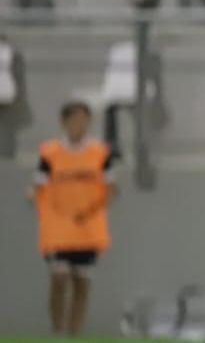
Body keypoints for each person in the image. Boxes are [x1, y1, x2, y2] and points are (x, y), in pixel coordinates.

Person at [30, 101, 117, 337]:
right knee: (59, 278)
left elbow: (111, 188)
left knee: (82, 280)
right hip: (59, 227)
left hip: (87, 227)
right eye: (74, 120)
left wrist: (95, 210)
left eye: (83, 120)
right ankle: (57, 330)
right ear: (64, 122)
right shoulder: (50, 154)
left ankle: (74, 333)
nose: (79, 125)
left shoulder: (100, 153)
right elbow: (38, 187)